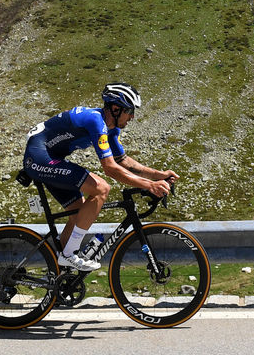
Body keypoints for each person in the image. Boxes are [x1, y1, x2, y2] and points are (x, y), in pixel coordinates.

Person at [22, 83, 177, 271]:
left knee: (78, 213)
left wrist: (159, 175)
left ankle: (59, 274)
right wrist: (149, 185)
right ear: (115, 109)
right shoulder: (95, 121)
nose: (133, 117)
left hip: (52, 158)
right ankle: (69, 255)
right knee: (102, 188)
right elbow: (110, 168)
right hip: (39, 157)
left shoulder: (111, 129)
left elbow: (124, 161)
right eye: (130, 111)